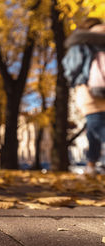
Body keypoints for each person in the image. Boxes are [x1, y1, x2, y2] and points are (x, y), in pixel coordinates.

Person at [63, 18, 105, 177]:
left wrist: (73, 81)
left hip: (90, 90)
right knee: (94, 128)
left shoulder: (81, 40)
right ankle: (91, 166)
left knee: (96, 125)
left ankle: (92, 166)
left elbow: (72, 67)